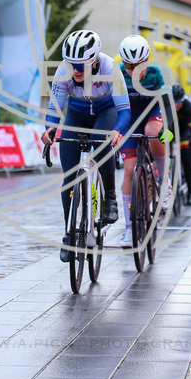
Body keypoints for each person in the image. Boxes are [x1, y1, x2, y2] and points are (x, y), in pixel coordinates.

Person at [41, 30, 130, 261]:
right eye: (72, 65)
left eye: (80, 65)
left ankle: (110, 196)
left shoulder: (111, 68)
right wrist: (49, 129)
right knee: (69, 177)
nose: (76, 70)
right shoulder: (63, 72)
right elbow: (55, 109)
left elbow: (124, 109)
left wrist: (117, 132)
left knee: (102, 142)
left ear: (94, 59)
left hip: (106, 112)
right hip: (77, 115)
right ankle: (69, 235)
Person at [116, 34, 172, 247]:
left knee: (153, 132)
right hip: (128, 118)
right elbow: (112, 107)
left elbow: (166, 104)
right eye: (129, 65)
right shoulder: (118, 74)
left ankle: (164, 182)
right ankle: (129, 229)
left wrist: (168, 130)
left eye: (139, 64)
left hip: (151, 114)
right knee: (129, 171)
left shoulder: (156, 74)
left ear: (147, 59)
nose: (133, 70)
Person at [172, 84, 191, 205]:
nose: (176, 105)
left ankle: (190, 190)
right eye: (174, 102)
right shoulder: (167, 105)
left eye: (179, 102)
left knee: (188, 160)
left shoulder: (188, 106)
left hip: (184, 134)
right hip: (170, 132)